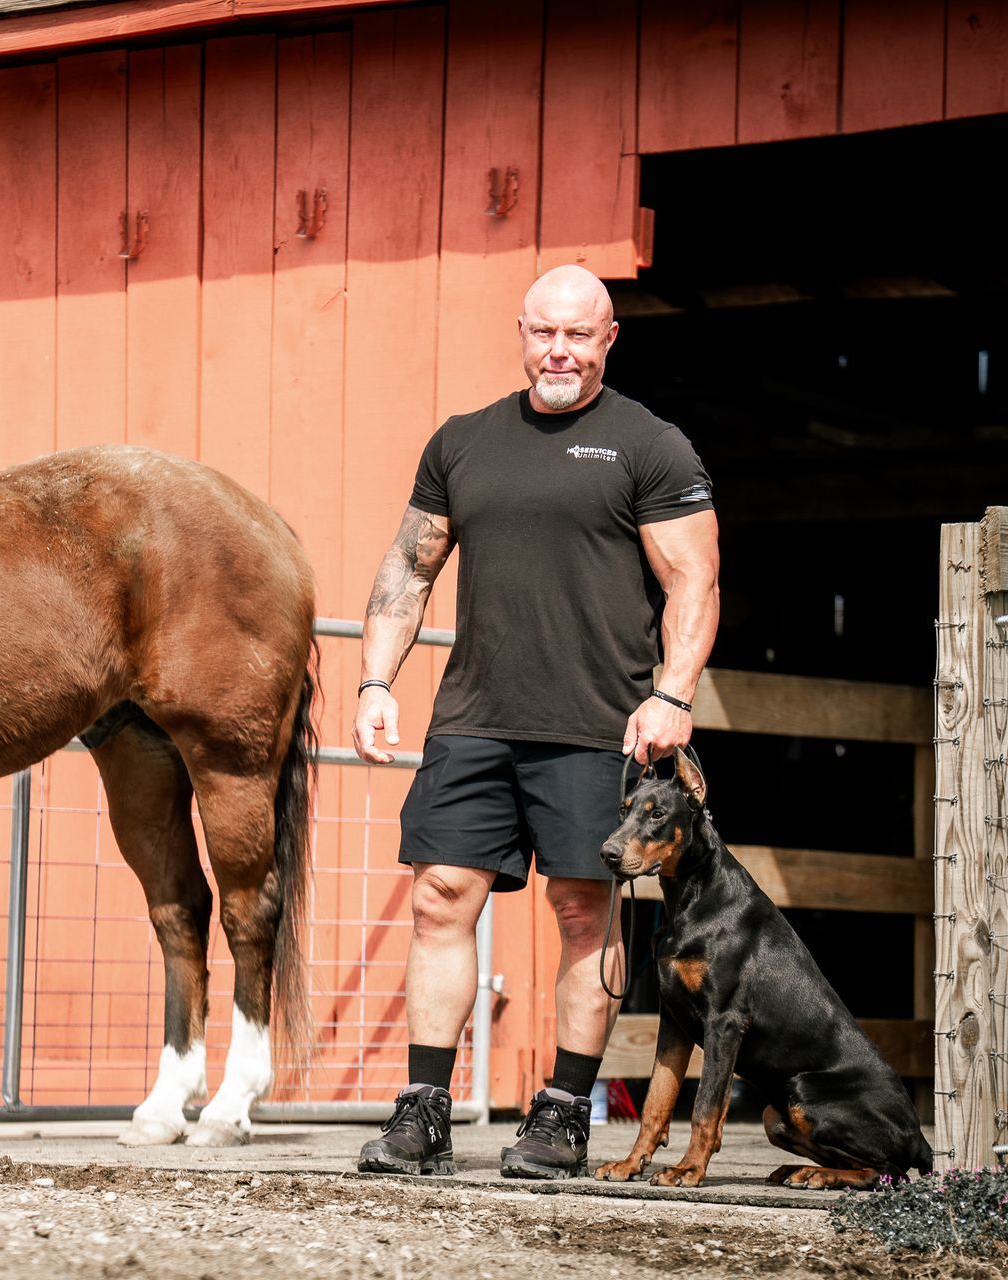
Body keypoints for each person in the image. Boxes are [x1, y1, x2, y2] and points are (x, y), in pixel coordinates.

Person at [351, 265, 720, 1180]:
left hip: (600, 727)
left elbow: (694, 582)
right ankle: (422, 1113)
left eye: (579, 335)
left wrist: (672, 695)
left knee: (582, 913)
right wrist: (373, 680)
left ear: (607, 341)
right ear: (521, 332)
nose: (559, 350)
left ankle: (560, 1116)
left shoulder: (650, 445)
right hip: (474, 718)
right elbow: (409, 567)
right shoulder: (465, 441)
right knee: (441, 898)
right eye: (544, 332)